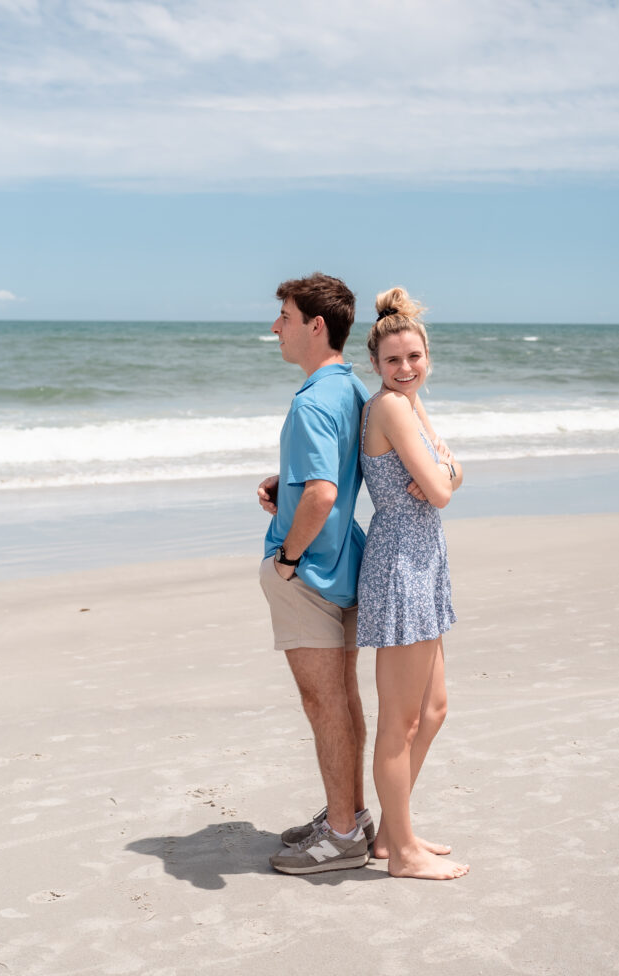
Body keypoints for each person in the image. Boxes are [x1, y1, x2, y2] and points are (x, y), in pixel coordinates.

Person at [257, 272, 373, 875]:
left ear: (315, 325)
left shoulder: (312, 400)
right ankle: (346, 814)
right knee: (343, 698)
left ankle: (345, 834)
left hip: (313, 571)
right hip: (345, 561)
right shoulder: (350, 389)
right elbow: (334, 477)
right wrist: (288, 485)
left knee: (322, 700)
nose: (277, 326)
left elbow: (324, 492)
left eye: (285, 315)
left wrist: (288, 557)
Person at [356, 286, 469, 880]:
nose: (405, 369)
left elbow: (452, 470)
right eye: (393, 360)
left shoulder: (412, 403)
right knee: (400, 719)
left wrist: (447, 472)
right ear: (374, 364)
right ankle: (399, 852)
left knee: (434, 710)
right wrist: (447, 474)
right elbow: (446, 487)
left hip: (425, 560)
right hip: (401, 563)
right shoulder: (392, 407)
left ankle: (394, 831)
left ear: (428, 356)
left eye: (414, 357)